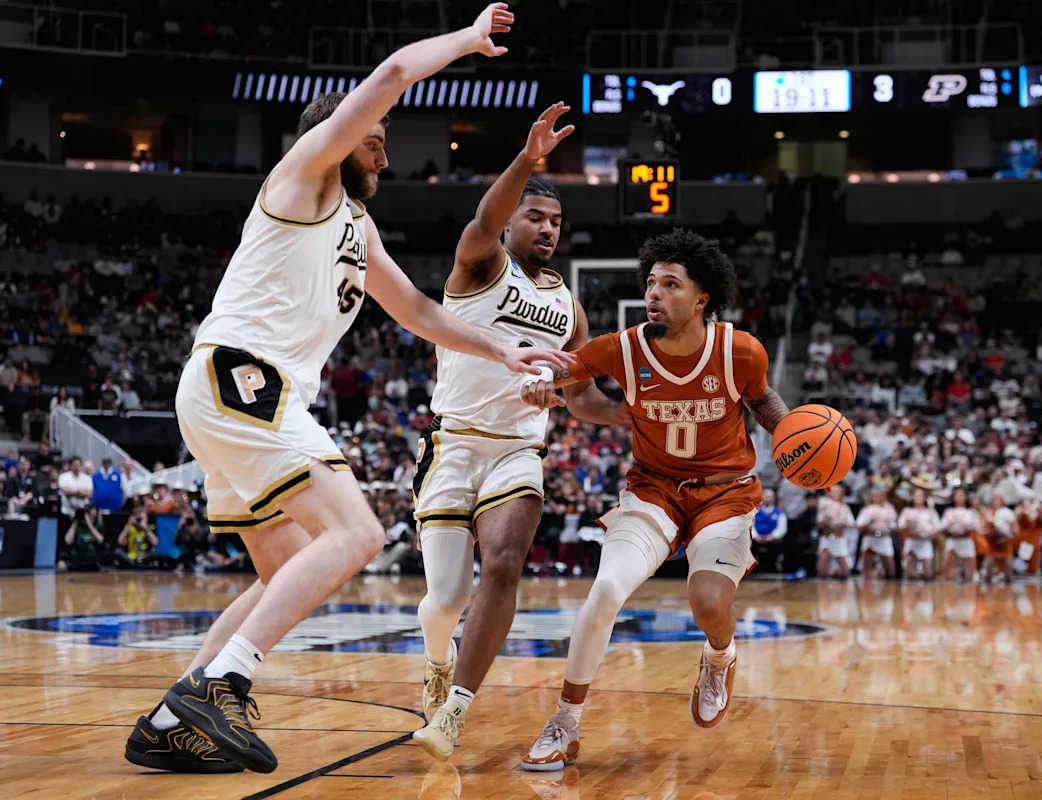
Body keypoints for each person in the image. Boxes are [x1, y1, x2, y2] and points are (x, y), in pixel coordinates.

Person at [122, 5, 573, 777]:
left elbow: (422, 313)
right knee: (360, 535)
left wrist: (505, 348)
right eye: (377, 140)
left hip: (240, 396)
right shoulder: (305, 172)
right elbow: (394, 74)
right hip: (243, 377)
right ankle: (224, 682)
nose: (386, 157)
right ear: (340, 133)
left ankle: (175, 714)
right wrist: (467, 41)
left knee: (286, 570)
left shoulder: (357, 228)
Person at [516, 228, 791, 770]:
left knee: (709, 605)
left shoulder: (740, 351)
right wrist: (543, 377)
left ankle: (719, 656)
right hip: (653, 489)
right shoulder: (623, 347)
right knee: (606, 589)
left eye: (671, 283)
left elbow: (764, 402)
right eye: (651, 282)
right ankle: (565, 721)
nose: (655, 293)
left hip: (724, 494)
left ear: (701, 297)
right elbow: (568, 368)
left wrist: (792, 436)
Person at [412, 103, 627, 760]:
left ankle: (454, 713)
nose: (548, 228)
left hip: (517, 451)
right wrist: (528, 160)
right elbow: (481, 218)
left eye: (557, 221)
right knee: (446, 598)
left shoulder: (569, 306)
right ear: (509, 221)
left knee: (504, 567)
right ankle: (435, 664)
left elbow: (583, 396)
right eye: (535, 216)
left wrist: (632, 415)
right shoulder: (479, 264)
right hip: (453, 444)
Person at [855, 487, 898, 579]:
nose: (877, 498)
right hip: (870, 539)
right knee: (867, 566)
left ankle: (888, 587)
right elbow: (859, 525)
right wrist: (869, 521)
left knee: (890, 569)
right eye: (875, 496)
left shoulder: (889, 509)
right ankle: (866, 588)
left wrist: (886, 524)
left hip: (884, 539)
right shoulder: (867, 510)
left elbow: (894, 526)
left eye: (879, 496)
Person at [939, 488, 978, 581]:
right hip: (952, 541)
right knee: (948, 570)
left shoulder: (971, 512)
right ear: (954, 497)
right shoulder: (949, 511)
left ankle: (969, 592)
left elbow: (977, 528)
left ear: (966, 497)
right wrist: (950, 524)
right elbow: (942, 527)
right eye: (957, 495)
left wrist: (967, 526)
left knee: (970, 574)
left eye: (962, 495)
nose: (959, 498)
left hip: (966, 541)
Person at [899, 487, 937, 580]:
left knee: (928, 573)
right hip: (912, 542)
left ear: (924, 498)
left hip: (925, 542)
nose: (918, 498)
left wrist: (930, 531)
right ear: (913, 497)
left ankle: (927, 593)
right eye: (916, 495)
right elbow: (901, 526)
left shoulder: (930, 512)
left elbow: (937, 527)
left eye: (920, 495)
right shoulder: (907, 511)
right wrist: (909, 525)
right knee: (911, 574)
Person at [816, 484, 854, 578]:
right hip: (826, 538)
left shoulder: (845, 507)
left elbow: (851, 524)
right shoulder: (823, 504)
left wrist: (841, 523)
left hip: (839, 539)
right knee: (823, 572)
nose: (835, 493)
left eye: (838, 491)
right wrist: (828, 521)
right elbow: (819, 522)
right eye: (833, 491)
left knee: (845, 573)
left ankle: (835, 573)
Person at [981, 493, 1016, 585]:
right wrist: (989, 532)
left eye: (998, 500)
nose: (996, 502)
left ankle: (1009, 591)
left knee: (1008, 569)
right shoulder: (988, 513)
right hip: (993, 543)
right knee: (989, 568)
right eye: (994, 499)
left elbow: (1015, 528)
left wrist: (1007, 533)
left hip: (1005, 542)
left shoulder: (1008, 512)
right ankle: (987, 591)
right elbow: (983, 528)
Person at [63, 504, 106, 570]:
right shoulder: (76, 526)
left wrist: (89, 524)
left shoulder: (98, 525)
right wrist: (76, 521)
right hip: (77, 560)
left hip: (92, 561)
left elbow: (100, 540)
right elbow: (68, 541)